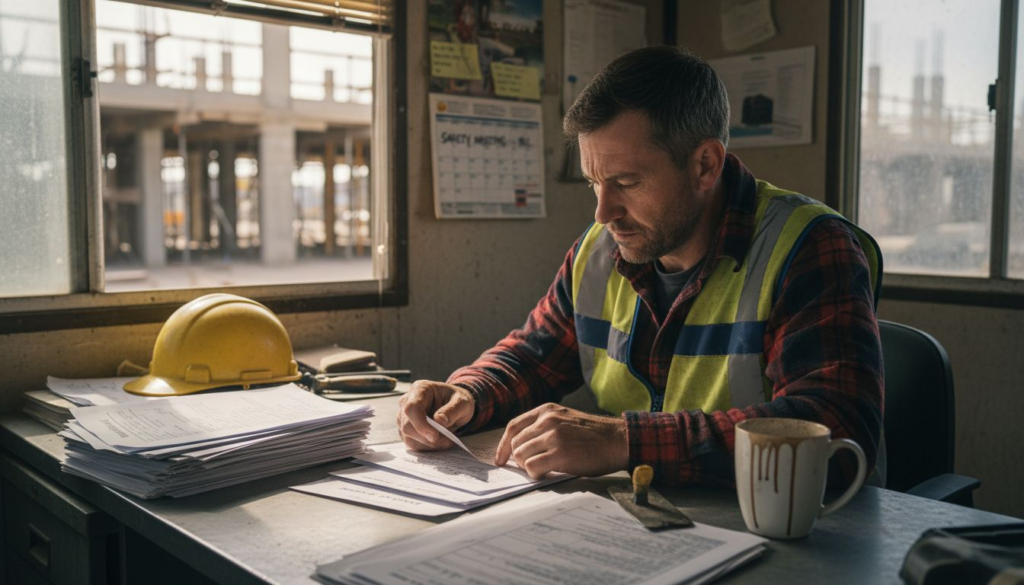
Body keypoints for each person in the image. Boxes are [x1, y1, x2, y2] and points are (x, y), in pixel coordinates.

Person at [398, 46, 883, 487]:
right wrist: (467, 393)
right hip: (645, 521)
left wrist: (623, 442)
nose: (602, 212)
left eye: (626, 182)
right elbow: (534, 356)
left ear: (705, 165)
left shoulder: (810, 245)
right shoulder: (599, 249)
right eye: (594, 183)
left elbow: (833, 429)